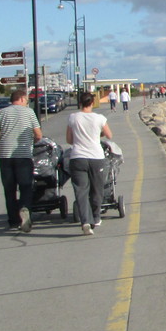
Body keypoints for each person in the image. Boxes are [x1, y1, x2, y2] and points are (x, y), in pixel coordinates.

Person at [0, 88, 43, 232]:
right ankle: (24, 209)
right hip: (23, 156)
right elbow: (38, 134)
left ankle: (13, 221)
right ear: (22, 99)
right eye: (27, 100)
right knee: (25, 187)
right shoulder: (29, 113)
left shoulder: (1, 113)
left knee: (9, 190)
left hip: (5, 157)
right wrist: (33, 141)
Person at [66, 92, 112, 236]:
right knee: (97, 189)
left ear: (80, 103)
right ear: (92, 103)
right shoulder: (99, 118)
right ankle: (96, 217)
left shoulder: (73, 117)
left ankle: (85, 221)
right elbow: (109, 135)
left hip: (78, 157)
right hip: (96, 157)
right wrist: (97, 135)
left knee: (81, 191)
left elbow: (69, 139)